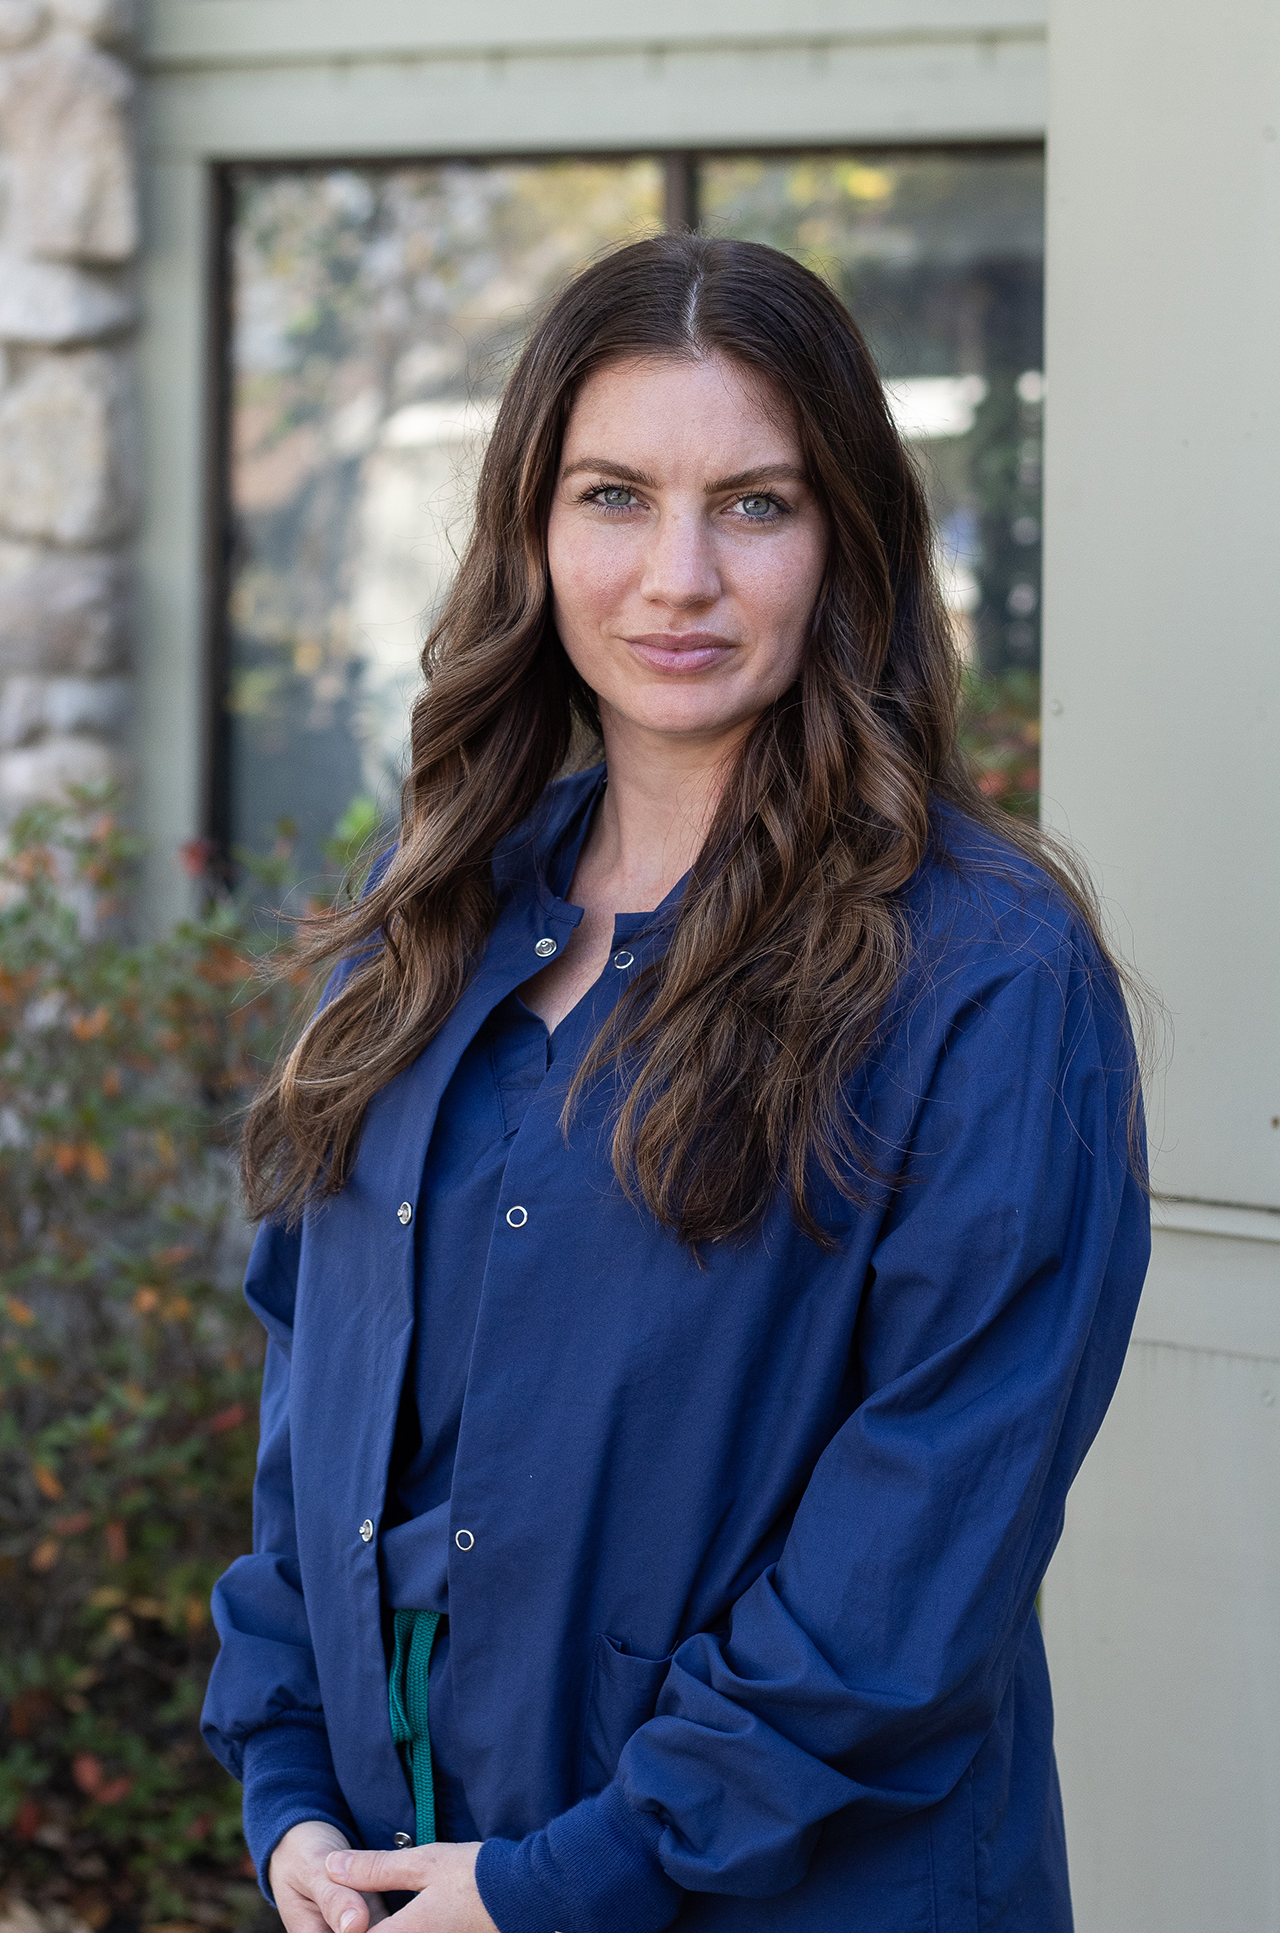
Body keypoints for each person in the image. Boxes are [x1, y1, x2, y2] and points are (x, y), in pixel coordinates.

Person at [202, 234, 1150, 1933]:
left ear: (844, 538)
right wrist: (286, 1790)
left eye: (757, 504)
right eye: (617, 496)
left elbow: (922, 1548)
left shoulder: (988, 972)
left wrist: (572, 1876)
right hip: (399, 1866)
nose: (678, 577)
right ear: (534, 530)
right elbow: (310, 1404)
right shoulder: (429, 915)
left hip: (781, 1891)